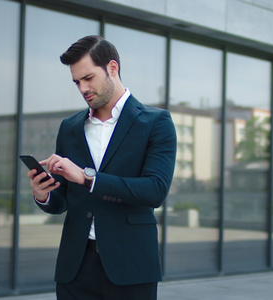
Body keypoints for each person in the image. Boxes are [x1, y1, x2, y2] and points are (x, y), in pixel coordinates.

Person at [27, 35, 177, 300]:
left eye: (88, 78)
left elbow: (155, 191)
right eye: (76, 82)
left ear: (112, 68)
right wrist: (45, 194)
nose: (83, 88)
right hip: (75, 267)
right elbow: (62, 201)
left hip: (130, 266)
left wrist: (87, 179)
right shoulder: (70, 128)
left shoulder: (156, 122)